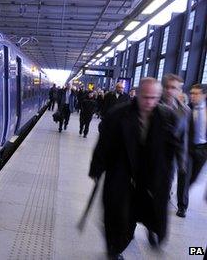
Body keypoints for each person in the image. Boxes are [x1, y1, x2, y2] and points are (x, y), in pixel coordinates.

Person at [89, 77, 182, 260]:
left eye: (154, 98)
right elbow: (103, 144)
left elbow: (173, 148)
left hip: (149, 181)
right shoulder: (118, 114)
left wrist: (174, 169)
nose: (149, 102)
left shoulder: (166, 117)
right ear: (137, 94)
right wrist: (97, 168)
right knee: (121, 219)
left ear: (159, 97)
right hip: (121, 177)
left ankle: (150, 231)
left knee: (150, 214)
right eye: (145, 97)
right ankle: (115, 249)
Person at [159, 74, 190, 218]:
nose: (171, 91)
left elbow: (183, 138)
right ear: (163, 88)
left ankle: (154, 224)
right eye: (168, 87)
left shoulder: (184, 111)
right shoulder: (152, 103)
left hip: (169, 158)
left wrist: (182, 161)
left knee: (164, 189)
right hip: (147, 155)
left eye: (175, 88)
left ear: (180, 91)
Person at [178, 83, 207, 217]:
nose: (192, 96)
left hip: (202, 150)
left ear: (204, 95)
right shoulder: (186, 110)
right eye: (191, 93)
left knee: (193, 178)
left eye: (196, 93)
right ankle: (182, 206)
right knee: (184, 177)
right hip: (187, 149)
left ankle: (183, 192)